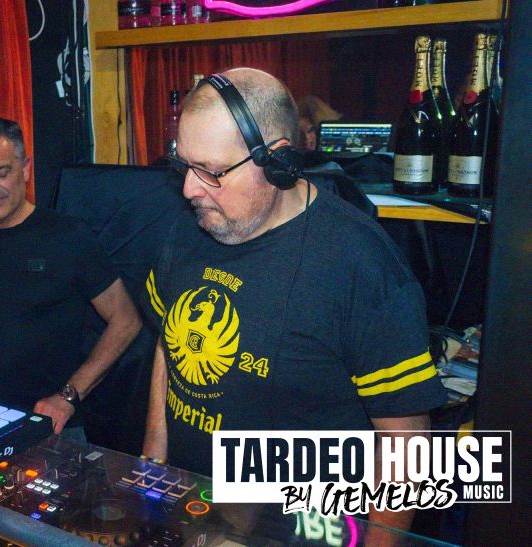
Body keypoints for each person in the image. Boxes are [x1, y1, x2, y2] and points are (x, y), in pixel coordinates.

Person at [142, 69, 447, 536]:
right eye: (184, 165)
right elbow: (168, 341)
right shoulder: (191, 226)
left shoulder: (361, 266)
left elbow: (405, 446)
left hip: (306, 530)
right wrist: (153, 465)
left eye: (212, 171)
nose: (189, 189)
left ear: (278, 162)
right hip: (196, 513)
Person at [0, 117, 141, 436]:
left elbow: (126, 320)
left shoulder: (68, 236)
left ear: (25, 169)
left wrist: (69, 396)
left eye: (1, 172)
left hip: (50, 429)